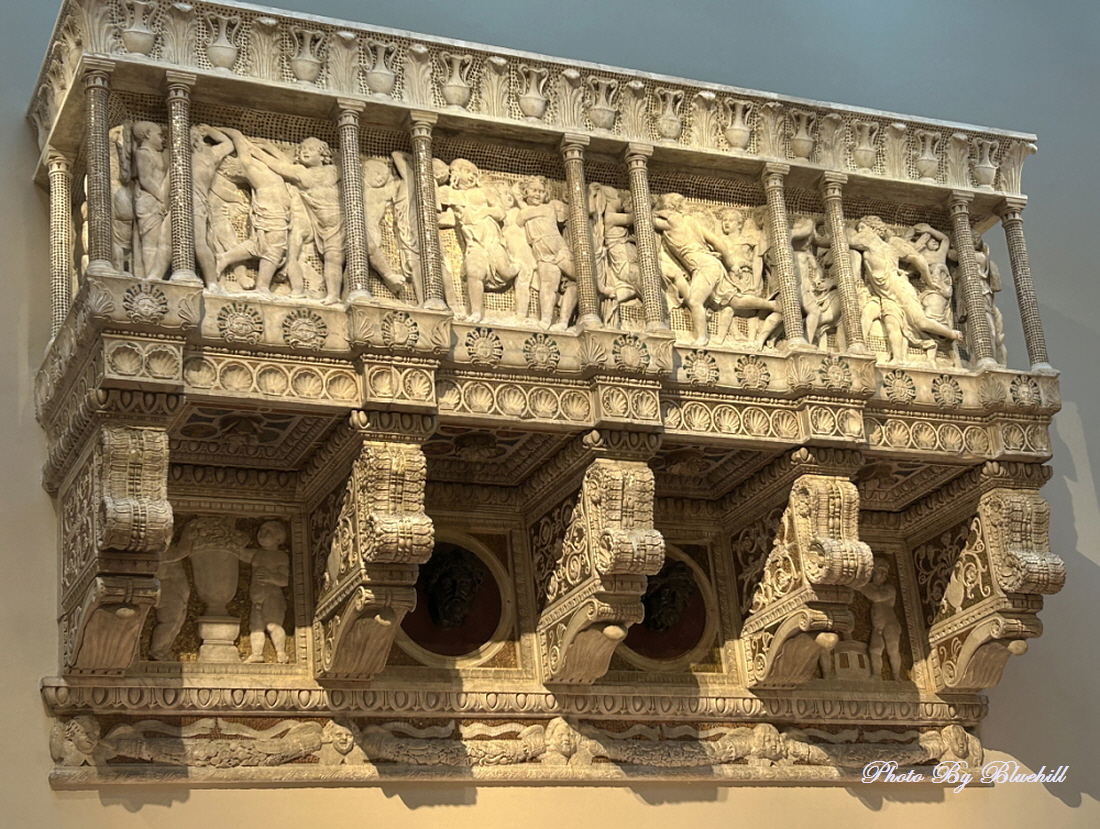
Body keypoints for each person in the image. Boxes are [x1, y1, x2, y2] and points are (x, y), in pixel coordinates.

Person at [847, 215, 962, 364]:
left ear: (873, 229)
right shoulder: (887, 244)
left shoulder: (872, 240)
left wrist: (929, 281)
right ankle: (898, 359)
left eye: (862, 227)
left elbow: (918, 259)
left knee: (920, 322)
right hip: (885, 294)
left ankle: (952, 334)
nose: (860, 231)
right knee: (892, 323)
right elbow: (918, 259)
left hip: (899, 287)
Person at [214, 128, 293, 298]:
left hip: (278, 212)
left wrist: (261, 147)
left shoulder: (262, 167)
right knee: (275, 248)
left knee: (259, 245)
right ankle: (262, 287)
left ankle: (224, 258)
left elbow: (286, 165)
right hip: (272, 212)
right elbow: (241, 146)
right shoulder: (251, 169)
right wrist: (236, 136)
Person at [440, 159, 518, 323]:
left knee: (505, 271)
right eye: (467, 172)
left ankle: (522, 268)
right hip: (474, 243)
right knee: (474, 271)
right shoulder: (453, 195)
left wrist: (485, 211)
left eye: (474, 174)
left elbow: (500, 212)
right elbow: (448, 218)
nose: (471, 176)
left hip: (492, 240)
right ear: (457, 173)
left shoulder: (484, 191)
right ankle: (476, 313)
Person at [653, 193, 728, 346]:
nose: (687, 207)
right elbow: (717, 242)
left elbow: (646, 220)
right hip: (710, 263)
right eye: (684, 204)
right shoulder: (692, 222)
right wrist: (731, 265)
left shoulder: (673, 220)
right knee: (732, 302)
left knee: (694, 301)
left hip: (704, 266)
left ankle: (702, 338)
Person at [516, 175, 575, 329]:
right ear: (525, 191)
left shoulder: (547, 207)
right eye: (534, 190)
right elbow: (519, 221)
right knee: (547, 287)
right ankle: (546, 321)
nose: (538, 194)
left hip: (559, 250)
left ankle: (564, 320)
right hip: (543, 254)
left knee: (580, 280)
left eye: (541, 191)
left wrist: (519, 200)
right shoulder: (530, 209)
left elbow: (522, 217)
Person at [245, 520, 291, 664]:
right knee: (256, 627)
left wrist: (271, 577)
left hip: (272, 596)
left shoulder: (280, 556)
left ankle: (281, 653)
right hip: (256, 597)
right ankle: (257, 654)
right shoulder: (257, 554)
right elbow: (241, 553)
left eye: (267, 531)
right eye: (261, 530)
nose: (262, 534)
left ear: (278, 537)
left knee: (273, 625)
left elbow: (285, 580)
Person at [132, 121, 172, 281]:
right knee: (151, 242)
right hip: (150, 201)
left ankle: (159, 277)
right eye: (159, 135)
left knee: (164, 241)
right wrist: (162, 198)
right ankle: (150, 278)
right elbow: (145, 179)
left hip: (159, 201)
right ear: (147, 135)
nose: (162, 139)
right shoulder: (143, 153)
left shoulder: (158, 153)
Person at [857, 558, 904, 681]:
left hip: (890, 624)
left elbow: (876, 596)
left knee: (892, 649)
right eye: (880, 571)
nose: (883, 575)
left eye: (885, 573)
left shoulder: (889, 589)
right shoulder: (870, 587)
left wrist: (860, 586)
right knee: (874, 649)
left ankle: (896, 676)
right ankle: (877, 675)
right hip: (877, 626)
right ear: (872, 572)